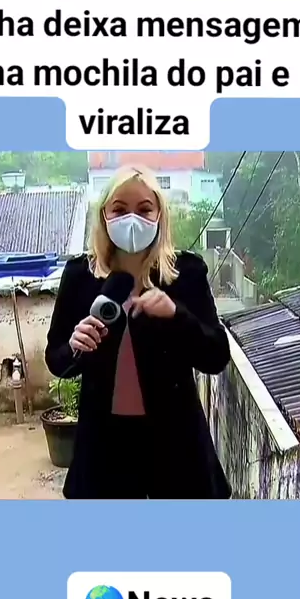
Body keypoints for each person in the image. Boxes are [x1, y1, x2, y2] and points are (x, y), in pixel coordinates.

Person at [45, 165, 232, 500]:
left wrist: (177, 315)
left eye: (144, 209)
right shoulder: (79, 275)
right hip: (104, 450)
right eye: (119, 209)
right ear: (104, 215)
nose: (132, 219)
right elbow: (56, 359)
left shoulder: (185, 274)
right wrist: (75, 345)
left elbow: (216, 356)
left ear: (160, 215)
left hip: (176, 448)